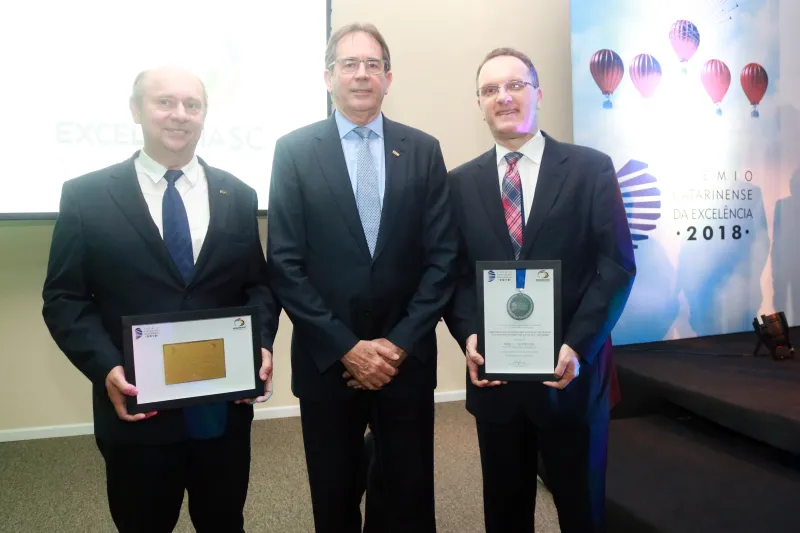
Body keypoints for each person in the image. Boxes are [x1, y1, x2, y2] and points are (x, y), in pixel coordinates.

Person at [41, 66, 279, 533]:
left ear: (204, 115)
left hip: (221, 408)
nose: (180, 115)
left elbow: (258, 286)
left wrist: (261, 343)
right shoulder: (87, 197)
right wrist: (107, 367)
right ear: (136, 110)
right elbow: (64, 298)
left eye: (193, 105)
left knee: (224, 519)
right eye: (164, 102)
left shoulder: (237, 193)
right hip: (137, 409)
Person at [267, 22, 457, 533]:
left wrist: (395, 345)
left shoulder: (423, 149)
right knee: (334, 493)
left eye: (373, 65)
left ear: (389, 78)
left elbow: (443, 260)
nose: (361, 75)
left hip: (405, 360)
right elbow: (284, 263)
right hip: (328, 361)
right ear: (328, 77)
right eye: (349, 64)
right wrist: (347, 347)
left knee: (409, 494)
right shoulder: (294, 151)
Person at [444, 48, 636, 533]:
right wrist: (468, 335)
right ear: (480, 103)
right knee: (504, 513)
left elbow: (615, 267)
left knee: (581, 508)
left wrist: (579, 345)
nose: (503, 98)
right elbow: (452, 275)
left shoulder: (591, 169)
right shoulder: (458, 184)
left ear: (538, 93)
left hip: (571, 376)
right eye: (490, 90)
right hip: (497, 382)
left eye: (515, 86)